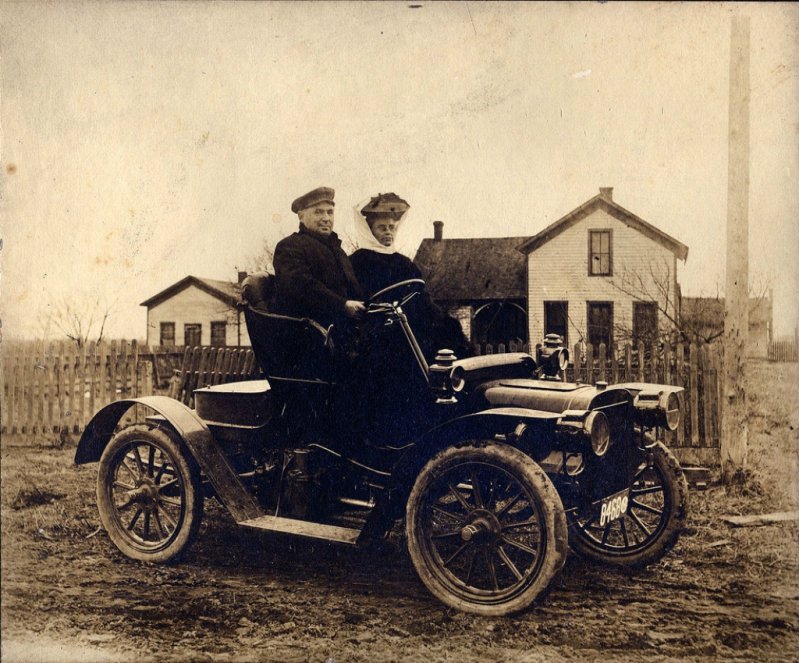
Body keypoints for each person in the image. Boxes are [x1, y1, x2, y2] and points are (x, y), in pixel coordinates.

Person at [350, 192, 473, 360]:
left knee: (450, 328)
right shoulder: (358, 261)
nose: (388, 232)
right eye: (382, 228)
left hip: (414, 318)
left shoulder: (403, 262)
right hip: (383, 323)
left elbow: (422, 294)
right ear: (370, 231)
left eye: (391, 227)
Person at [272, 186, 365, 328]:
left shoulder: (339, 251)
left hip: (343, 328)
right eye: (318, 212)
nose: (326, 218)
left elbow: (354, 289)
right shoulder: (289, 246)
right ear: (301, 216)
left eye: (330, 212)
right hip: (310, 333)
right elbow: (301, 286)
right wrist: (342, 305)